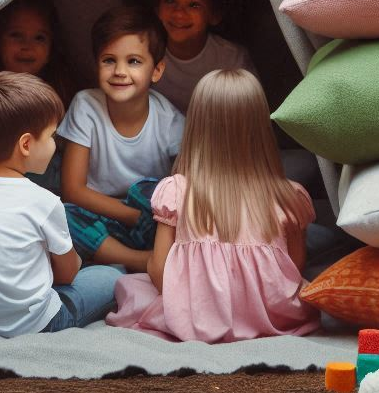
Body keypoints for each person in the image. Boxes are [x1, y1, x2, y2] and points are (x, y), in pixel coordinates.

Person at [107, 69, 320, 343]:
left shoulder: (177, 191)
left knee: (130, 286)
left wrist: (190, 305)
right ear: (261, 128)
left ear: (196, 126)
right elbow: (294, 266)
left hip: (198, 316)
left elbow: (158, 268)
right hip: (272, 314)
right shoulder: (290, 196)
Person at [0, 71, 121, 336]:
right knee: (110, 276)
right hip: (35, 326)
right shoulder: (44, 201)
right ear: (26, 144)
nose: (54, 144)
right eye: (51, 136)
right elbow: (68, 275)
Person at [59, 6, 185, 273]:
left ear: (157, 70)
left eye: (134, 61)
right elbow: (72, 189)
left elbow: (185, 186)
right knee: (58, 216)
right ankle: (141, 261)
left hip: (152, 217)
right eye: (108, 60)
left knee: (168, 200)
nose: (119, 71)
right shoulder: (86, 106)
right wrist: (133, 216)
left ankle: (137, 256)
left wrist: (151, 218)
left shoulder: (169, 119)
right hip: (98, 214)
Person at [117, 0, 258, 114]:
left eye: (194, 5)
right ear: (155, 6)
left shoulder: (232, 58)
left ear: (215, 14)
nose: (179, 12)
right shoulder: (142, 53)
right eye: (170, 0)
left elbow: (250, 114)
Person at [0, 0, 79, 191]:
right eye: (16, 35)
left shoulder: (63, 92)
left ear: (52, 48)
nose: (27, 46)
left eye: (39, 38)